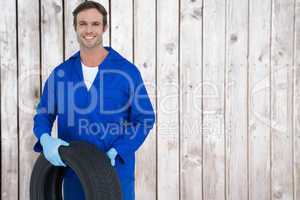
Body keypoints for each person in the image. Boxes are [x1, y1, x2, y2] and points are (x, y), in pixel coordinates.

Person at [32, 1, 155, 200]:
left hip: (114, 173)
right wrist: (45, 138)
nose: (89, 30)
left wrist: (119, 150)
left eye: (95, 24)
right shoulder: (61, 74)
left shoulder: (126, 72)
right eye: (83, 24)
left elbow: (145, 118)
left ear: (104, 27)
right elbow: (44, 113)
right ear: (75, 27)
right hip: (74, 174)